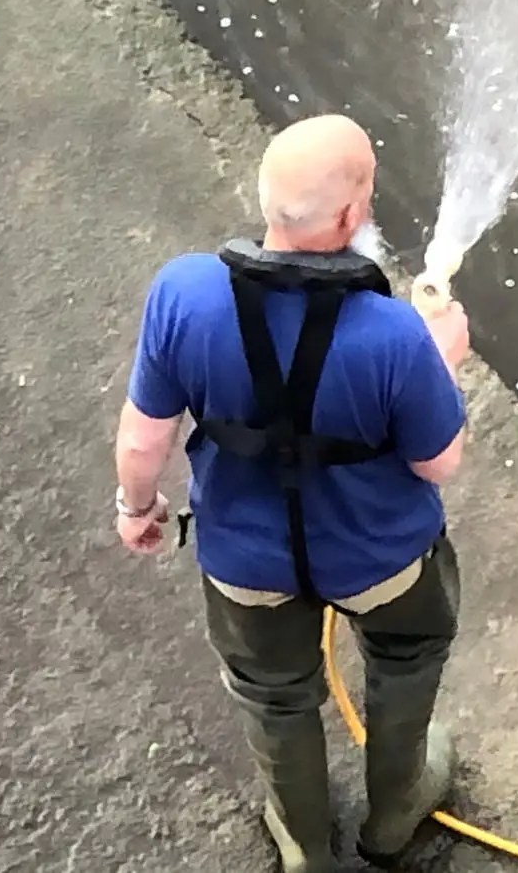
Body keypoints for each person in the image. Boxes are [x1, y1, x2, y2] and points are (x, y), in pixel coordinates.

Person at [113, 113, 471, 873]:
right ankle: (396, 810)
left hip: (247, 565)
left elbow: (144, 438)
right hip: (383, 559)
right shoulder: (395, 334)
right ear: (348, 216)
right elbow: (439, 463)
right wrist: (438, 359)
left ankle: (306, 841)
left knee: (273, 695)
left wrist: (137, 508)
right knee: (406, 656)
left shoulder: (185, 291)